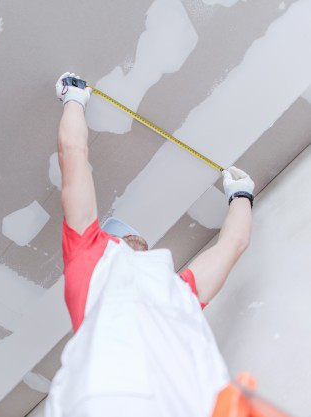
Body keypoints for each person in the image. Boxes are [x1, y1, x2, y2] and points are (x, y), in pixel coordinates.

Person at [45, 72, 255, 417]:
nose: (130, 234)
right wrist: (242, 196)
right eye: (121, 232)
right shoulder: (176, 290)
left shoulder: (92, 255)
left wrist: (73, 97)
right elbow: (234, 243)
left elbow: (235, 244)